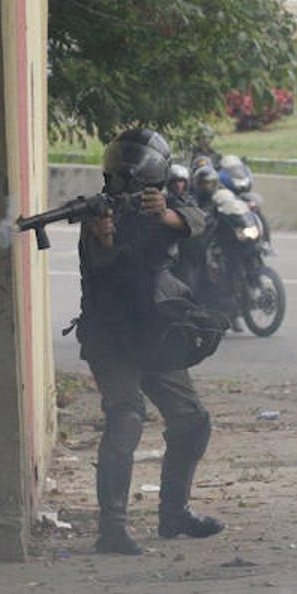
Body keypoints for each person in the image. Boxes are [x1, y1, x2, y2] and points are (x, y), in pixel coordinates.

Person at [76, 129, 223, 555]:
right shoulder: (97, 215)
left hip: (154, 334)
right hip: (112, 338)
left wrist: (164, 216)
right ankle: (112, 529)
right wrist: (103, 235)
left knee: (192, 421)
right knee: (126, 417)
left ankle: (174, 513)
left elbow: (196, 222)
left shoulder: (164, 206)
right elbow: (100, 260)